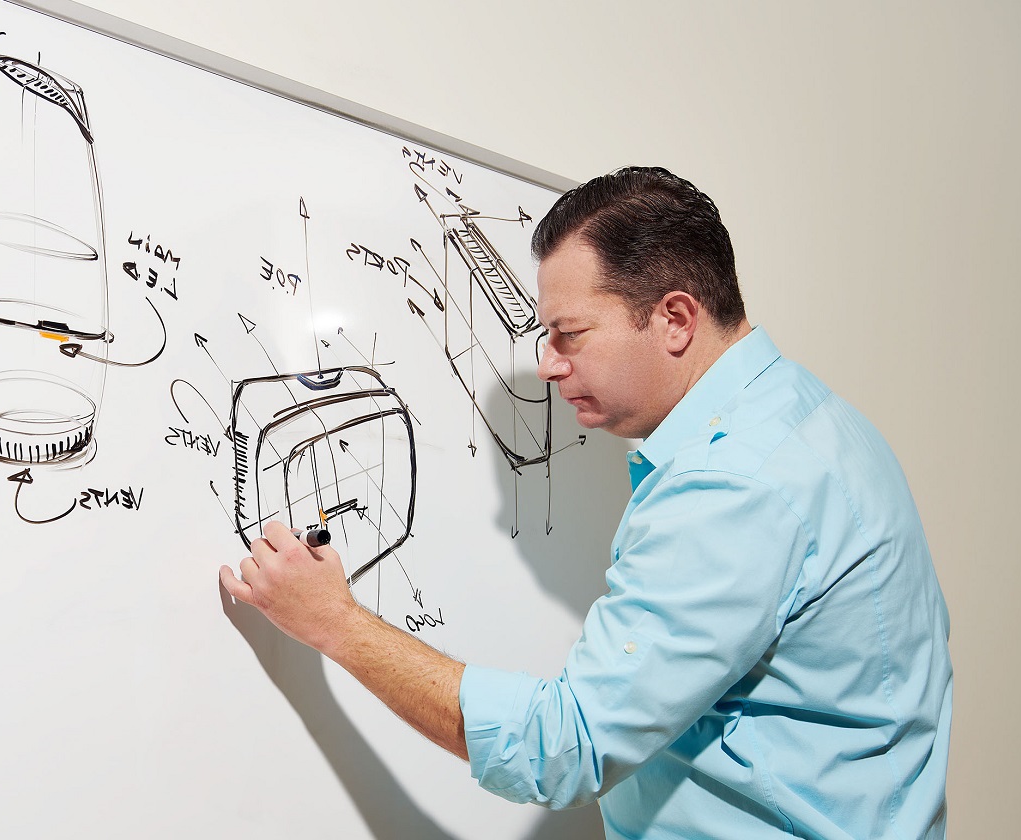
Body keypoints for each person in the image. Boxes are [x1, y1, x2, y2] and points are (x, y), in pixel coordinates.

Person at [219, 167, 952, 839]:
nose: (546, 363)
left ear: (674, 318)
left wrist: (337, 623)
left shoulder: (733, 484)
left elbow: (559, 749)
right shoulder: (814, 422)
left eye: (569, 333)